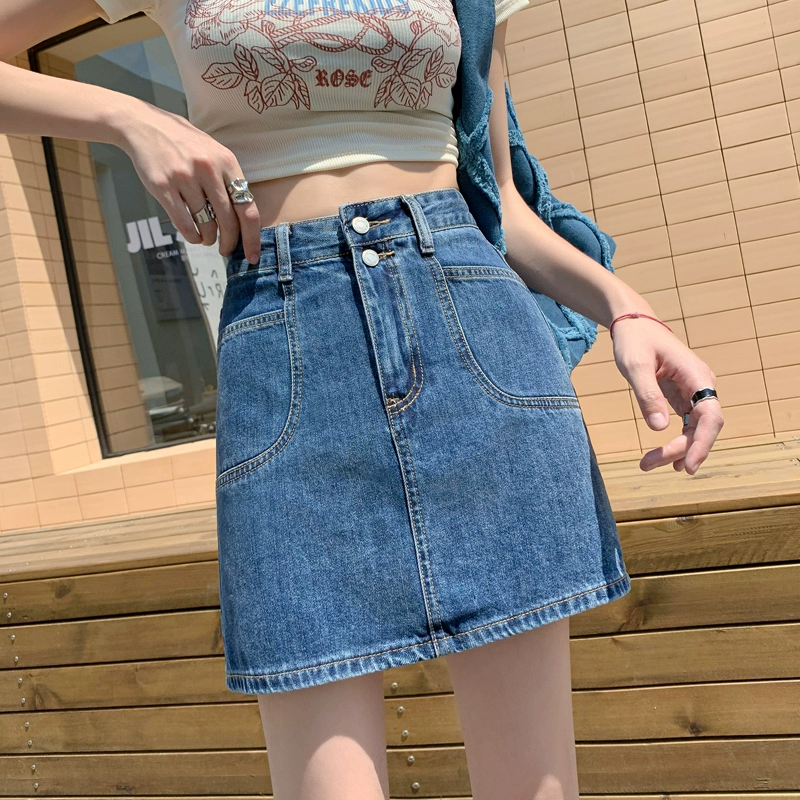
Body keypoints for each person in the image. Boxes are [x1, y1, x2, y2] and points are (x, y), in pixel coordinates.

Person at [0, 0, 724, 797]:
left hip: (473, 327)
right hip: (289, 345)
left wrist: (629, 310)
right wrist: (128, 116)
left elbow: (501, 209)